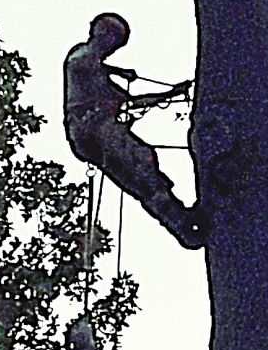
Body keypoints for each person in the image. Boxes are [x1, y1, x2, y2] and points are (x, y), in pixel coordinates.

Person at [64, 13, 206, 245]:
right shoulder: (82, 56)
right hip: (93, 127)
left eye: (115, 39)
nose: (110, 43)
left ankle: (180, 223)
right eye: (109, 35)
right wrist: (115, 71)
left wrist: (171, 93)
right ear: (99, 32)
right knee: (141, 161)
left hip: (89, 137)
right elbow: (83, 64)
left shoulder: (101, 80)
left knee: (141, 177)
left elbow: (133, 102)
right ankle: (179, 219)